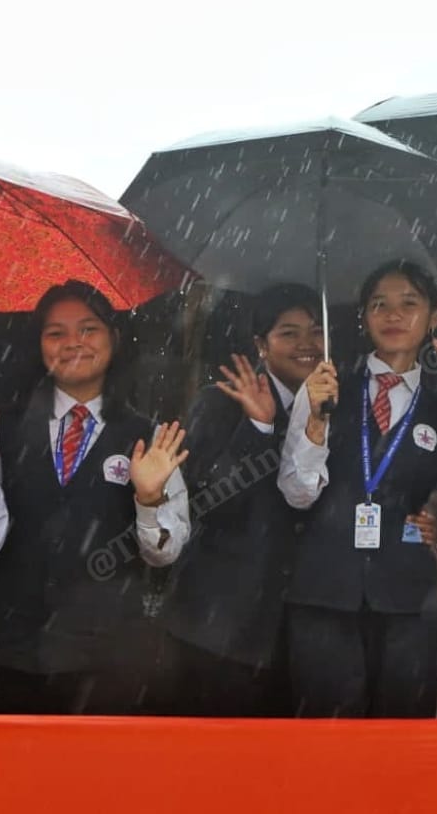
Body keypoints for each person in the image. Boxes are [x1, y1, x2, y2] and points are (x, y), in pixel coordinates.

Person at [0, 280, 191, 715]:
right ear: (39, 344)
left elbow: (165, 553)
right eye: (55, 333)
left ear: (114, 340)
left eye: (88, 329)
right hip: (12, 648)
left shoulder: (149, 436)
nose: (73, 343)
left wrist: (149, 498)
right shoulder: (1, 426)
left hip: (109, 655)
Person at [278, 259, 437, 717]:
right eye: (380, 304)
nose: (393, 315)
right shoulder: (324, 388)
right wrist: (317, 422)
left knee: (403, 739)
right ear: (364, 316)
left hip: (408, 598)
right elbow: (297, 493)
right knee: (327, 742)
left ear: (435, 317)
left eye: (408, 304)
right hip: (325, 593)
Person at [158, 283, 323, 716]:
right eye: (289, 332)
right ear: (260, 345)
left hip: (297, 630)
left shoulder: (328, 405)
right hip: (218, 625)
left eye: (315, 330)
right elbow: (212, 501)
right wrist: (259, 428)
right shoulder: (219, 402)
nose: (307, 344)